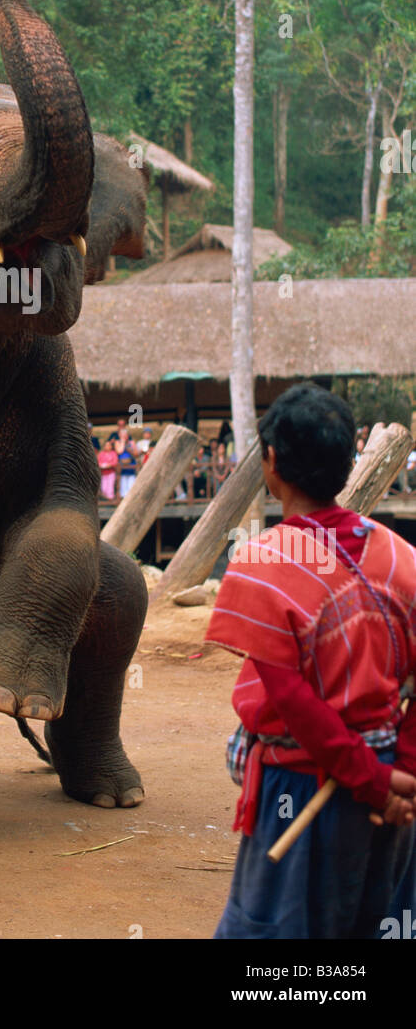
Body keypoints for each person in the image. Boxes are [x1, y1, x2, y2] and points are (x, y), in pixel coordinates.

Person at [206, 382, 416, 939]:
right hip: (391, 785)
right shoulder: (403, 557)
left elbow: (295, 704)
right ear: (349, 462)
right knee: (377, 924)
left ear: (272, 461)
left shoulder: (262, 563)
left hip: (303, 787)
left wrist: (371, 780)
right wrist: (401, 774)